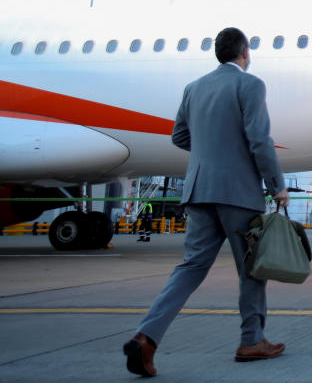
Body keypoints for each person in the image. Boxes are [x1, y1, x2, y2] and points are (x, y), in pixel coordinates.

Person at [122, 27, 291, 377]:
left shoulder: (194, 88)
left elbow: (179, 136)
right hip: (238, 193)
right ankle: (251, 340)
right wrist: (277, 185)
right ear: (244, 52)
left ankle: (146, 337)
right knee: (251, 269)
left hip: (199, 191)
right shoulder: (250, 84)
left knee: (191, 267)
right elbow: (260, 139)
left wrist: (208, 155)